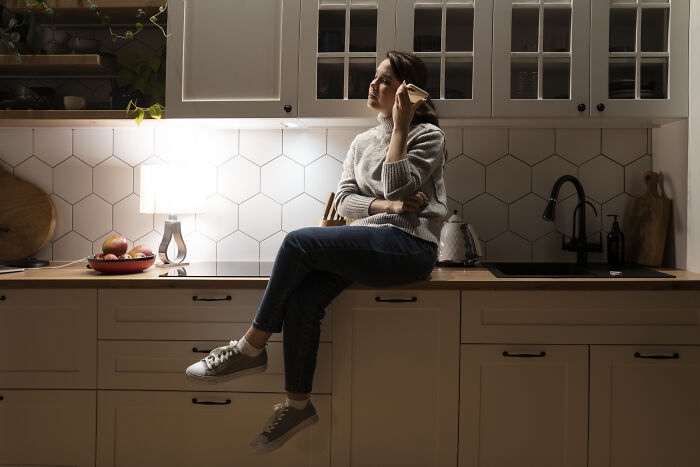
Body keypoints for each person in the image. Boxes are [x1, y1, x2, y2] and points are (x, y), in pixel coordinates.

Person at [185, 50, 448, 453]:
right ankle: (297, 404)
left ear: (407, 93)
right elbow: (344, 201)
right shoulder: (361, 142)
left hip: (410, 247)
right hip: (369, 242)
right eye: (374, 78)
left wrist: (400, 129)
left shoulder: (428, 136)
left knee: (298, 241)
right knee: (304, 300)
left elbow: (396, 185)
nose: (373, 86)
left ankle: (250, 348)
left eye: (384, 81)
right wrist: (387, 206)